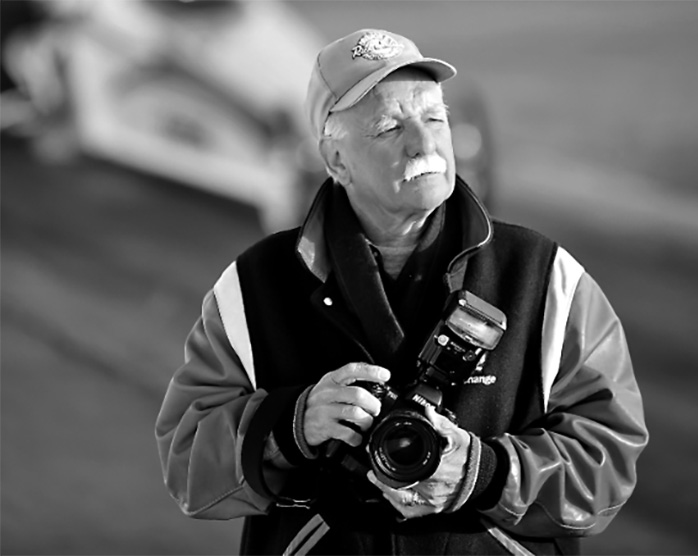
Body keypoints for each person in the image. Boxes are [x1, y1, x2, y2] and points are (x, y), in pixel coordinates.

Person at [155, 29, 648, 555]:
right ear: (336, 160)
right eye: (390, 127)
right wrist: (290, 426)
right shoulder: (254, 286)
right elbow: (187, 464)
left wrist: (483, 473)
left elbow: (609, 461)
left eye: (435, 119)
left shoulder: (546, 278)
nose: (424, 143)